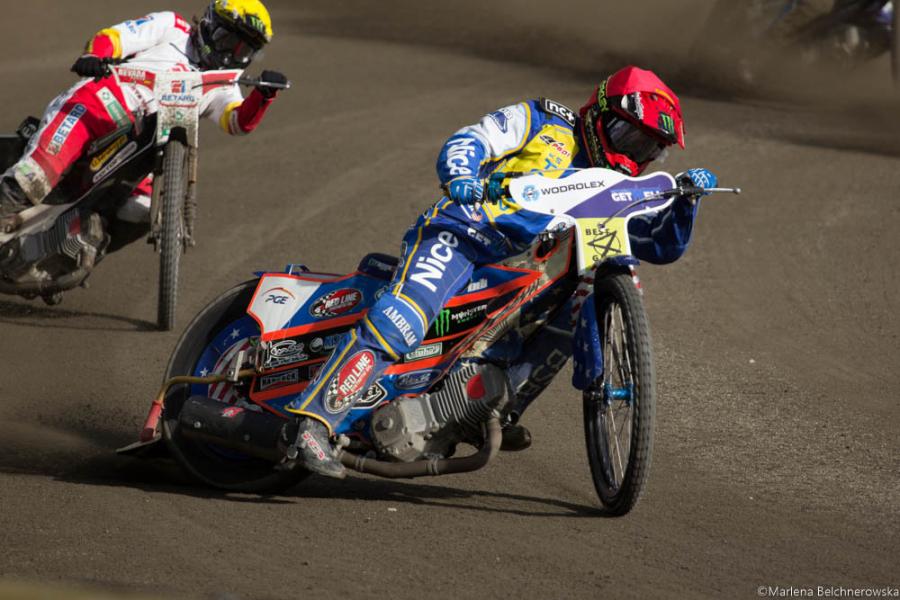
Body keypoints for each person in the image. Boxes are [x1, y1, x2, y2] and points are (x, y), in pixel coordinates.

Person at [280, 65, 719, 479]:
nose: (631, 153)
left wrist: (686, 204)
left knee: (575, 303)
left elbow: (659, 244)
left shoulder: (617, 189)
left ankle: (491, 408)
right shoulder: (546, 119)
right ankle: (312, 422)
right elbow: (472, 139)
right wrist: (461, 175)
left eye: (647, 148)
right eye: (628, 136)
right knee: (405, 318)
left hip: (524, 268)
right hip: (463, 234)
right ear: (601, 114)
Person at [0, 0, 286, 233]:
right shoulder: (172, 26)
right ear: (211, 25)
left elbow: (237, 121)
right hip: (98, 106)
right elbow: (115, 37)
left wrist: (263, 96)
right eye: (228, 40)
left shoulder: (223, 83)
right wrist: (94, 56)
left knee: (147, 211)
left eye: (244, 49)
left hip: (145, 154)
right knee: (34, 176)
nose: (231, 54)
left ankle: (81, 249)